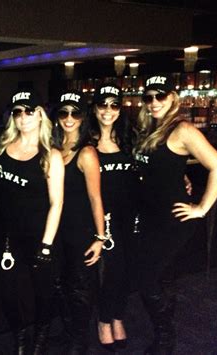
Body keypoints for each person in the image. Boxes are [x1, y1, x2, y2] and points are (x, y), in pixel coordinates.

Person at [134, 74, 217, 354]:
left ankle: (165, 337)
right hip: (152, 217)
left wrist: (201, 208)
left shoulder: (183, 129)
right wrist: (180, 174)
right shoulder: (151, 127)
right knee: (162, 277)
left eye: (159, 96)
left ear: (172, 98)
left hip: (173, 220)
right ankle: (165, 332)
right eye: (148, 97)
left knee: (147, 277)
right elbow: (160, 166)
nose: (153, 102)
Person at [0, 88, 65, 354]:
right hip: (6, 238)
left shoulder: (50, 155)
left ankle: (40, 338)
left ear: (40, 115)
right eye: (18, 112)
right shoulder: (1, 148)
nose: (23, 117)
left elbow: (57, 203)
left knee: (42, 293)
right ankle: (21, 338)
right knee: (10, 293)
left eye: (29, 111)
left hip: (39, 237)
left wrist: (46, 246)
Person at [51, 90, 105, 354]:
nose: (69, 118)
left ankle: (79, 340)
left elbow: (96, 198)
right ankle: (70, 331)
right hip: (56, 230)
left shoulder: (86, 153)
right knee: (60, 284)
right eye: (64, 112)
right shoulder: (53, 149)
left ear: (83, 117)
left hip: (80, 230)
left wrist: (100, 237)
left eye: (75, 112)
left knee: (80, 288)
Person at [90, 83, 138, 351]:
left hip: (130, 216)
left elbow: (150, 168)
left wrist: (184, 177)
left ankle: (117, 315)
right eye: (102, 104)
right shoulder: (87, 141)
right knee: (113, 271)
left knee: (128, 269)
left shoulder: (129, 139)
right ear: (95, 108)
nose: (108, 110)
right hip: (103, 218)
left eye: (114, 105)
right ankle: (104, 319)